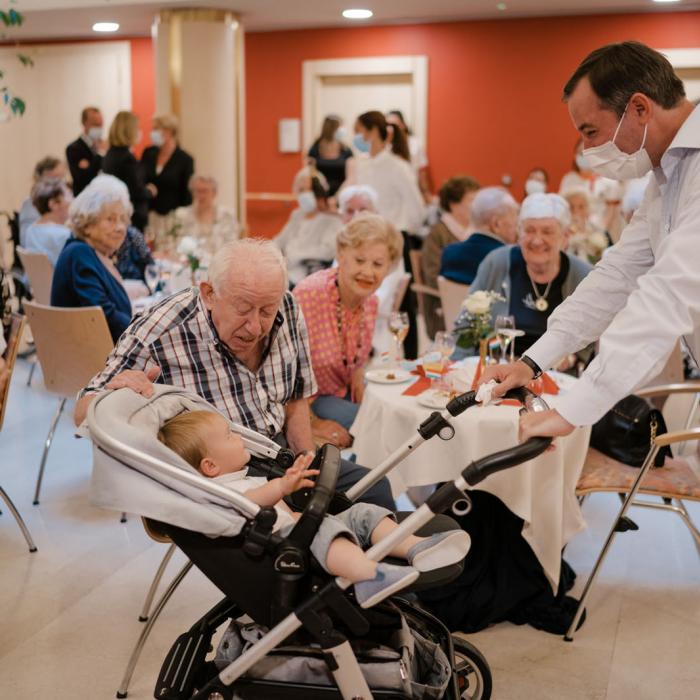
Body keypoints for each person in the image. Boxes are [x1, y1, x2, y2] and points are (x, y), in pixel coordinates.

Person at [479, 41, 699, 443]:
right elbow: (616, 276)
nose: (588, 149)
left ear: (639, 108)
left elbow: (668, 293)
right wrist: (532, 362)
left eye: (591, 131)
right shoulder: (666, 176)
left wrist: (572, 409)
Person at [72, 238, 395, 510]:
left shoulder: (287, 305)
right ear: (209, 294)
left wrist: (308, 463)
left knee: (374, 489)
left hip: (280, 453)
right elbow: (84, 413)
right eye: (242, 309)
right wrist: (118, 392)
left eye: (266, 311)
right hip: (225, 475)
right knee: (328, 529)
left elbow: (295, 399)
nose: (255, 326)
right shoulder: (160, 331)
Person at [157, 410, 470, 608]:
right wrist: (280, 487)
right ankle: (369, 577)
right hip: (290, 552)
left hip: (299, 529)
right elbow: (250, 501)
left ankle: (417, 547)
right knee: (328, 531)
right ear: (210, 466)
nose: (238, 437)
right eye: (229, 437)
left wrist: (287, 494)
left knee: (362, 513)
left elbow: (268, 502)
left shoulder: (237, 475)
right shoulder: (218, 494)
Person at [293, 214, 404, 441]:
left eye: (378, 264)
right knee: (383, 425)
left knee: (401, 410)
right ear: (341, 255)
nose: (368, 272)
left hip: (342, 392)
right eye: (360, 260)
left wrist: (357, 374)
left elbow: (356, 359)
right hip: (309, 402)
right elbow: (285, 371)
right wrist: (311, 423)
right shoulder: (310, 295)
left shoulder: (370, 302)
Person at [458, 193, 592, 362]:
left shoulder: (583, 275)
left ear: (565, 237)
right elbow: (466, 323)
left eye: (547, 232)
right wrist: (457, 367)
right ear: (519, 234)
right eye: (529, 230)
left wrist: (573, 358)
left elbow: (597, 335)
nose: (537, 240)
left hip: (555, 377)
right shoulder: (497, 263)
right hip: (498, 369)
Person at [51, 175, 132, 342]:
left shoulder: (91, 252)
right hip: (93, 356)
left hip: (98, 347)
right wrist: (142, 331)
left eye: (122, 219)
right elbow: (103, 315)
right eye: (110, 220)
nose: (120, 228)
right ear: (87, 224)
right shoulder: (79, 254)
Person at [421, 176, 480, 337]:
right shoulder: (437, 234)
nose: (477, 205)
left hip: (479, 303)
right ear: (454, 204)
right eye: (472, 200)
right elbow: (432, 275)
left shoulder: (479, 232)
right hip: (444, 303)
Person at [352, 111, 425, 236]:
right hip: (368, 235)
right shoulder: (362, 165)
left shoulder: (397, 166)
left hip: (393, 236)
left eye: (358, 131)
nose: (355, 138)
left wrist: (402, 231)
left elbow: (416, 207)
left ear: (373, 131)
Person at [274, 170, 343, 286]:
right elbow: (279, 240)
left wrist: (298, 255)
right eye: (300, 190)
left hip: (306, 276)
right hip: (285, 271)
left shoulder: (332, 219)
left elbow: (328, 251)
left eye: (308, 189)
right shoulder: (297, 215)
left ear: (318, 191)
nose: (304, 194)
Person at [440, 186, 519, 286]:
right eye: (515, 216)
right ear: (496, 224)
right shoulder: (511, 259)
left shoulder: (449, 253)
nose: (517, 225)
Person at [141, 114, 195, 247]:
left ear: (169, 131)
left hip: (172, 218)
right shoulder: (148, 153)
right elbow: (139, 179)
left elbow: (187, 194)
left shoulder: (185, 159)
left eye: (156, 129)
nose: (153, 133)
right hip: (149, 216)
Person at [102, 110, 152, 232]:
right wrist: (149, 191)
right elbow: (135, 189)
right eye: (137, 128)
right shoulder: (126, 157)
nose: (139, 132)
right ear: (129, 130)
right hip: (132, 217)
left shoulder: (111, 153)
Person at [173, 175, 239, 257]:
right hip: (189, 265)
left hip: (219, 264)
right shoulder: (182, 215)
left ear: (214, 193)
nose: (201, 196)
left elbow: (231, 246)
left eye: (205, 191)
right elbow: (175, 244)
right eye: (197, 191)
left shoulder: (227, 215)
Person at [23, 177, 72, 265]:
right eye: (68, 195)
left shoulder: (30, 230)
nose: (72, 200)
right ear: (53, 204)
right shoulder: (64, 236)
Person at [19, 157, 67, 245]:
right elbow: (25, 241)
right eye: (56, 178)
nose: (61, 184)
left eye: (62, 178)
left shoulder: (64, 199)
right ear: (42, 177)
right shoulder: (30, 203)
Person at [386, 110, 432, 203]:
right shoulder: (384, 146)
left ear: (403, 125)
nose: (392, 129)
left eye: (395, 125)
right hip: (391, 192)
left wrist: (426, 194)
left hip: (411, 189)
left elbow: (421, 173)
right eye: (388, 126)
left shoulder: (415, 144)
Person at [307, 115, 354, 196]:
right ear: (332, 128)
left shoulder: (346, 150)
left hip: (342, 195)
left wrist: (336, 198)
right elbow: (311, 173)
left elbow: (351, 177)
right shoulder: (314, 149)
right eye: (340, 127)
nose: (343, 130)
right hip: (319, 196)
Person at [561, 188, 609, 263]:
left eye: (581, 207)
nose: (576, 211)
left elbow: (598, 253)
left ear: (588, 208)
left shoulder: (595, 227)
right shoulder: (561, 229)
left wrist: (583, 231)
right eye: (571, 207)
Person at [65, 106, 105, 196]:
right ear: (84, 123)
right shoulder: (74, 149)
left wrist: (90, 165)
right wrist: (100, 154)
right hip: (84, 199)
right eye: (95, 124)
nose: (99, 127)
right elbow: (82, 178)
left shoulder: (106, 146)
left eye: (101, 124)